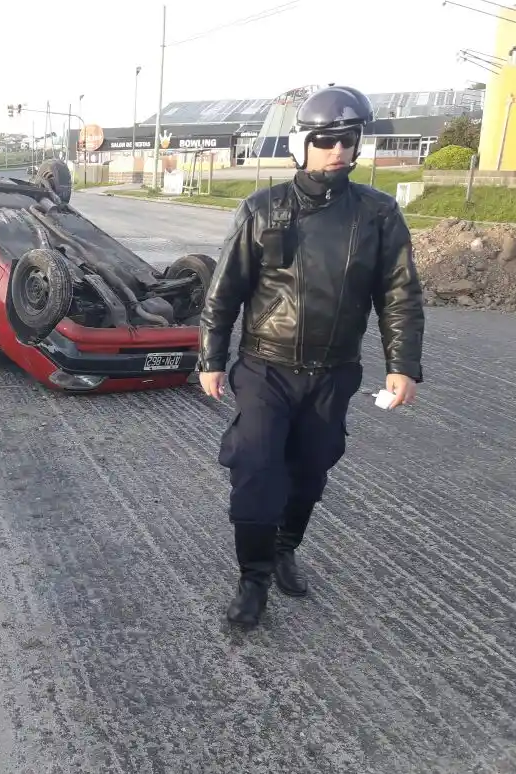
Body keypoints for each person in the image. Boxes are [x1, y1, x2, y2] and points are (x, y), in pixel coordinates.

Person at [197, 85, 425, 627]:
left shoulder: (378, 215)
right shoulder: (263, 209)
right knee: (255, 467)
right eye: (326, 139)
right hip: (265, 368)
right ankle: (252, 578)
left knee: (310, 467)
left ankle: (284, 548)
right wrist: (211, 357)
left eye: (348, 139)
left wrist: (403, 364)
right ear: (303, 143)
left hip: (332, 372)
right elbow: (223, 292)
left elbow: (399, 295)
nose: (339, 150)